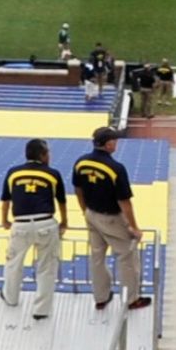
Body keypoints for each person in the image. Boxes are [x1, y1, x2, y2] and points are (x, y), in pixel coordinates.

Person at [73, 128, 151, 311]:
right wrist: (133, 227)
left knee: (97, 257)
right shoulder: (115, 168)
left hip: (92, 214)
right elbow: (124, 202)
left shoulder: (81, 162)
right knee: (127, 257)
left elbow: (78, 189)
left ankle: (100, 297)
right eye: (115, 141)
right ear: (108, 144)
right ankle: (131, 299)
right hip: (112, 218)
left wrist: (85, 210)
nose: (116, 144)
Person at [0, 139, 68, 319]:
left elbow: (6, 199)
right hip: (45, 222)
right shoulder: (53, 174)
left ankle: (11, 297)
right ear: (42, 155)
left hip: (20, 223)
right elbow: (61, 200)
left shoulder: (13, 173)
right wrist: (64, 222)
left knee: (14, 263)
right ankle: (41, 309)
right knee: (47, 267)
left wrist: (5, 220)